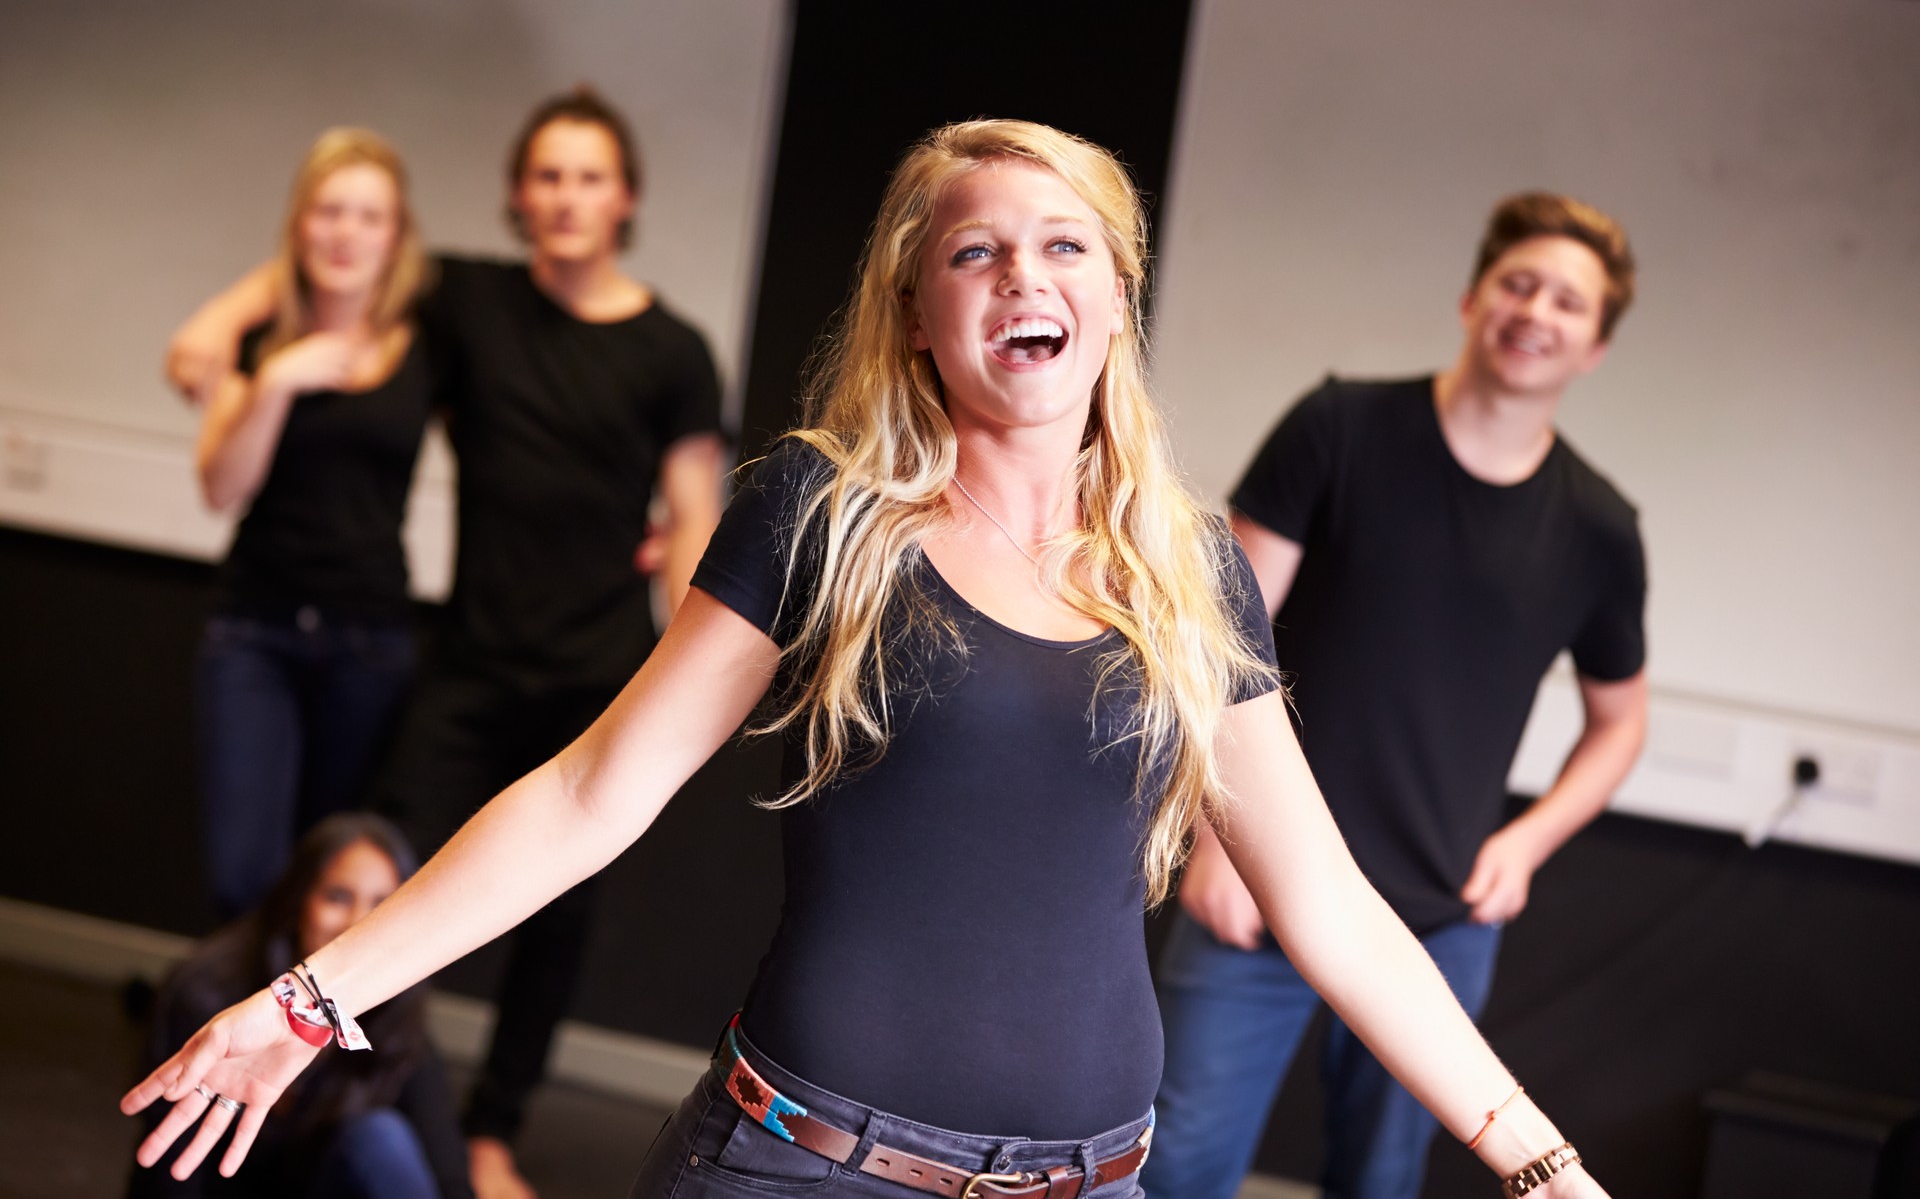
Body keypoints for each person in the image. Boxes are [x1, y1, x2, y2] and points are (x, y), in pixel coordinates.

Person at [126, 121, 1609, 1199]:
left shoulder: (1189, 567)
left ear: (1112, 294)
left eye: (1061, 245)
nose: (1021, 273)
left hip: (1096, 1186)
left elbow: (1331, 907)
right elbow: (592, 797)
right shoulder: (819, 514)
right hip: (803, 1172)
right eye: (975, 250)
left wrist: (1537, 1163)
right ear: (921, 314)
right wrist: (310, 1000)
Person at [163, 87, 727, 1199]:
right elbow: (311, 279)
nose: (567, 197)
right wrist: (220, 347)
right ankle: (337, 1088)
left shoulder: (674, 350)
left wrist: (684, 675)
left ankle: (489, 1131)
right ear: (520, 196)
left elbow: (696, 516)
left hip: (598, 678)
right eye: (548, 176)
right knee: (381, 886)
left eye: (590, 177)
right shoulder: (469, 301)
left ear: (626, 199)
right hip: (467, 664)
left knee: (556, 924)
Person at [1147, 193, 1650, 1199]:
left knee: (1380, 1178)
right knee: (1179, 1167)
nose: (1536, 310)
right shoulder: (1341, 427)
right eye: (1520, 282)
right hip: (1262, 882)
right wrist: (1216, 837)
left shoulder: (1598, 527)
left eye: (1568, 301)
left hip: (1440, 915)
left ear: (1592, 345)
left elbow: (1620, 721)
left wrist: (1527, 841)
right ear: (1474, 298)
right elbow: (1215, 639)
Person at [191, 128, 434, 919]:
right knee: (243, 876)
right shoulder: (260, 346)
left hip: (369, 643)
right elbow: (221, 488)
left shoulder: (427, 348)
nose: (346, 232)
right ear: (300, 224)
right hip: (254, 632)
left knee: (330, 889)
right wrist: (273, 385)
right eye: (329, 210)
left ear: (395, 237)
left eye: (369, 216)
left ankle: (308, 1043)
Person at [129, 813, 472, 1199]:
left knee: (380, 1139)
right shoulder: (208, 994)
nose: (359, 923)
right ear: (297, 903)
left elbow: (449, 1175)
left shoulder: (398, 1014)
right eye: (338, 896)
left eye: (382, 904)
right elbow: (169, 1170)